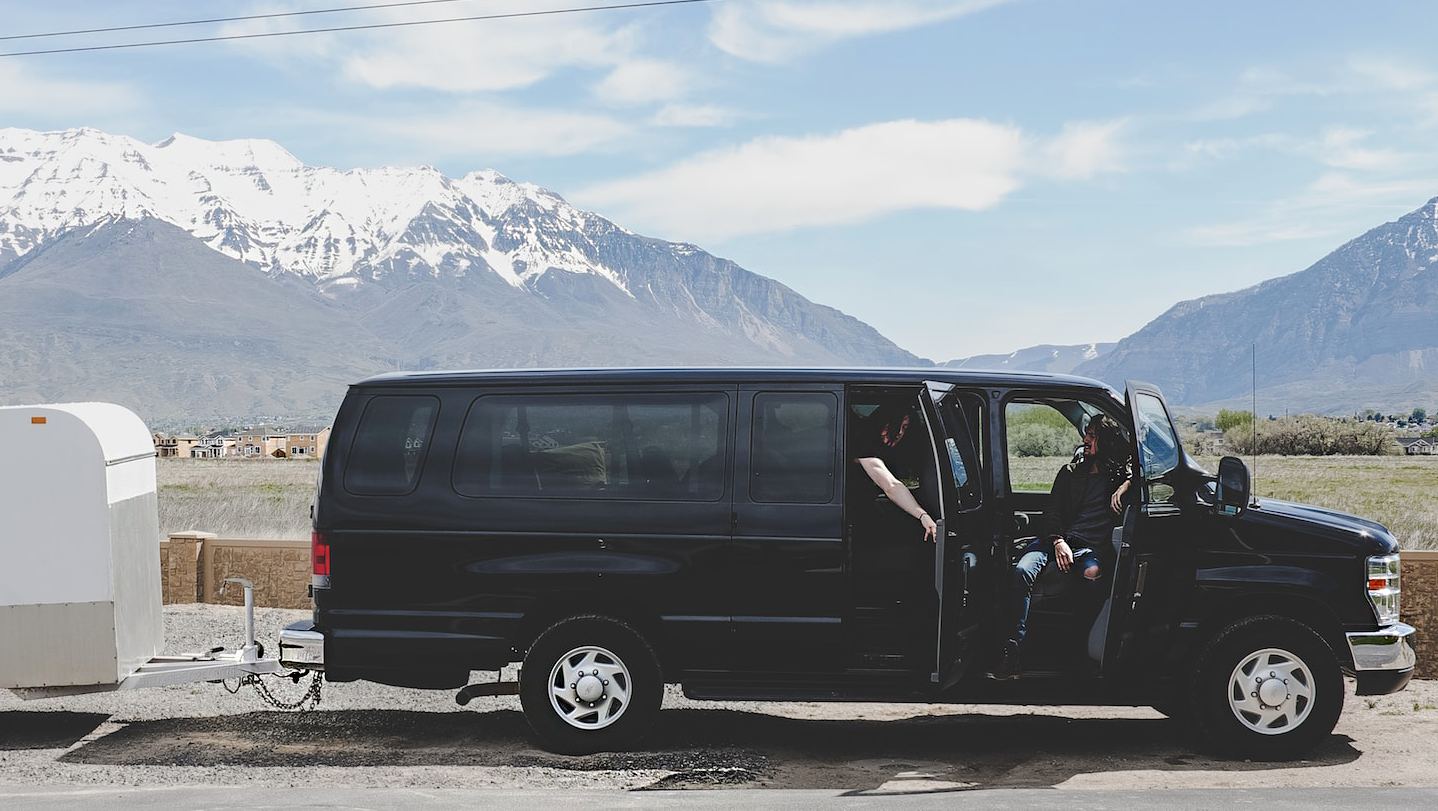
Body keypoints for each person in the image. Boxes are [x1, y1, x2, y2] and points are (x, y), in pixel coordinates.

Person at [991, 413, 1131, 680]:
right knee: (1022, 571)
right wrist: (1058, 542)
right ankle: (1013, 650)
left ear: (1106, 441)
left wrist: (1125, 486)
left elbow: (1146, 470)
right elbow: (1051, 515)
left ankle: (1080, 649)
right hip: (1054, 541)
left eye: (1092, 436)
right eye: (1086, 435)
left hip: (1089, 549)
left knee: (1092, 573)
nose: (1085, 440)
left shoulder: (1116, 476)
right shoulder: (1069, 473)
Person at [851, 402, 937, 543]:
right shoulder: (862, 443)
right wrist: (923, 516)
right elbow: (890, 485)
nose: (899, 433)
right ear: (881, 422)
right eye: (895, 425)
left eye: (905, 428)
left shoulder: (881, 449)